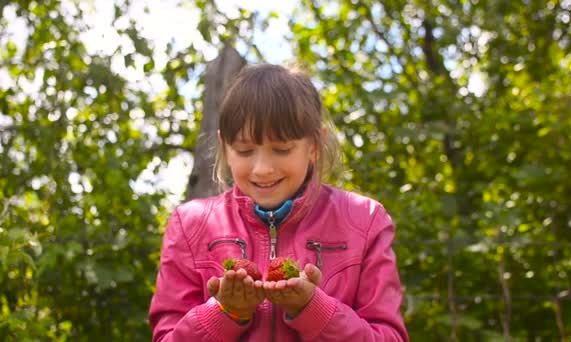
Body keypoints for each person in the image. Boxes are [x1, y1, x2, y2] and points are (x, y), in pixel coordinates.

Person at [148, 63, 409, 341]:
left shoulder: (365, 220)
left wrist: (312, 309)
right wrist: (227, 312)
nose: (262, 168)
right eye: (245, 150)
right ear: (225, 146)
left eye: (282, 149)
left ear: (314, 146)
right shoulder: (191, 225)